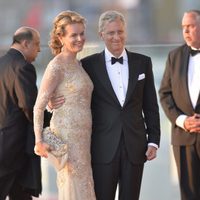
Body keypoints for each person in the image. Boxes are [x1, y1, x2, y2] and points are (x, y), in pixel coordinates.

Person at [50, 10, 161, 200]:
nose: (116, 37)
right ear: (102, 35)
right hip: (101, 147)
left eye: (120, 31)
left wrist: (153, 140)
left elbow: (150, 106)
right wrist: (51, 102)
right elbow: (73, 95)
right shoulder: (87, 65)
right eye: (111, 33)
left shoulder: (143, 63)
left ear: (125, 31)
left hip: (135, 146)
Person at [33, 11, 96, 200]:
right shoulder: (56, 66)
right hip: (67, 139)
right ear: (60, 37)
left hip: (84, 139)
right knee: (73, 186)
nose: (80, 39)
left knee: (84, 185)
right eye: (73, 35)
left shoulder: (78, 64)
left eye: (82, 33)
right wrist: (39, 141)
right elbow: (38, 106)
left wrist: (53, 103)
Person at [159, 10, 200, 200]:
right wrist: (182, 120)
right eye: (184, 27)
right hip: (184, 138)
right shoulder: (173, 56)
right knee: (189, 195)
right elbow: (165, 94)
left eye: (191, 26)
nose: (186, 31)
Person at [0, 27, 41, 199]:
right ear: (25, 43)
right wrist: (49, 124)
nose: (39, 49)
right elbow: (29, 106)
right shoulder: (24, 67)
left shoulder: (2, 62)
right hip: (15, 148)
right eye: (37, 44)